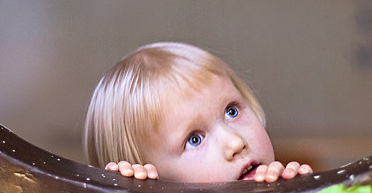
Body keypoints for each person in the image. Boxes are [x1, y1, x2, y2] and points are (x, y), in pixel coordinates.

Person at [83, 42, 313, 183]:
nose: (235, 143)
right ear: (151, 186)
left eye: (232, 111)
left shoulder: (282, 186)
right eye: (194, 139)